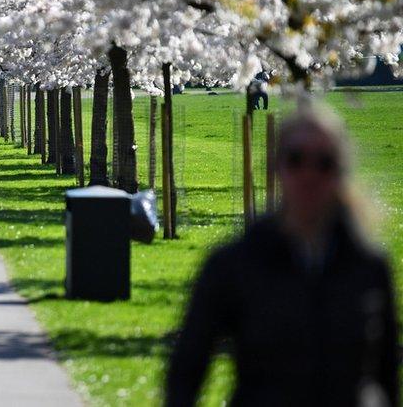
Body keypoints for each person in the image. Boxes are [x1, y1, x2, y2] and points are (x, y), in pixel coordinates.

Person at [165, 103, 399, 407]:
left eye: (324, 163)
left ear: (340, 172)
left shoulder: (368, 267)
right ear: (277, 167)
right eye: (296, 159)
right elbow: (187, 370)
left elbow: (386, 374)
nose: (309, 174)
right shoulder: (235, 264)